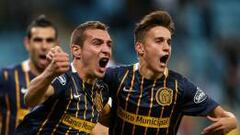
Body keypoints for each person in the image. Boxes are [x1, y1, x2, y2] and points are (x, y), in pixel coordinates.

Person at [101, 10, 238, 135]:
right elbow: (83, 87)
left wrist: (231, 121)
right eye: (159, 41)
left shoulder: (180, 86)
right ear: (140, 48)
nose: (166, 47)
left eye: (169, 42)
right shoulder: (117, 77)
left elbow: (226, 116)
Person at [15, 21, 112, 134]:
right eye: (97, 43)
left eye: (109, 45)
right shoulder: (64, 78)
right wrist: (50, 72)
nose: (106, 50)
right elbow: (30, 99)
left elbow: (107, 117)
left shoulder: (100, 91)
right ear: (77, 51)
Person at [0, 15, 58, 135]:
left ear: (57, 44)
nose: (44, 46)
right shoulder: (7, 76)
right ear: (27, 43)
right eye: (38, 40)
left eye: (49, 40)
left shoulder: (67, 81)